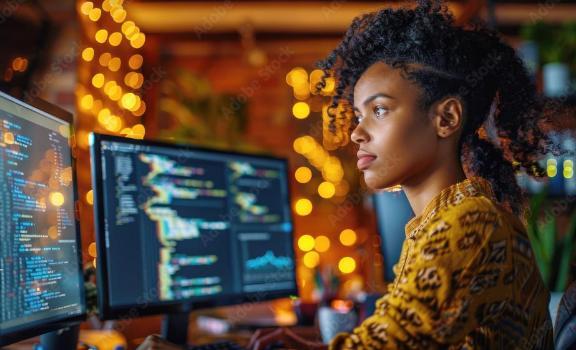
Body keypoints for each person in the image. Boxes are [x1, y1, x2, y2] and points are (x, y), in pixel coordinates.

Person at [139, 0, 557, 349]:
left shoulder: (471, 223)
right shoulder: (439, 224)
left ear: (445, 118)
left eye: (379, 110)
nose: (356, 132)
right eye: (359, 114)